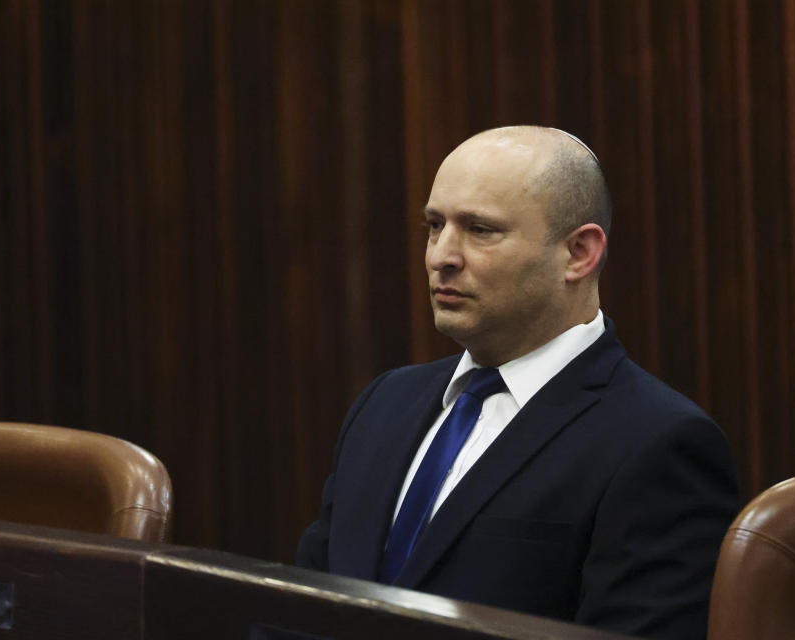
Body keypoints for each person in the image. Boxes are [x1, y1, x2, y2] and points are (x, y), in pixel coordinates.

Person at [297, 126, 741, 640]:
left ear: (579, 253)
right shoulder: (383, 404)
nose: (442, 255)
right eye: (434, 225)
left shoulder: (660, 442)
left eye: (480, 229)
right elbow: (301, 610)